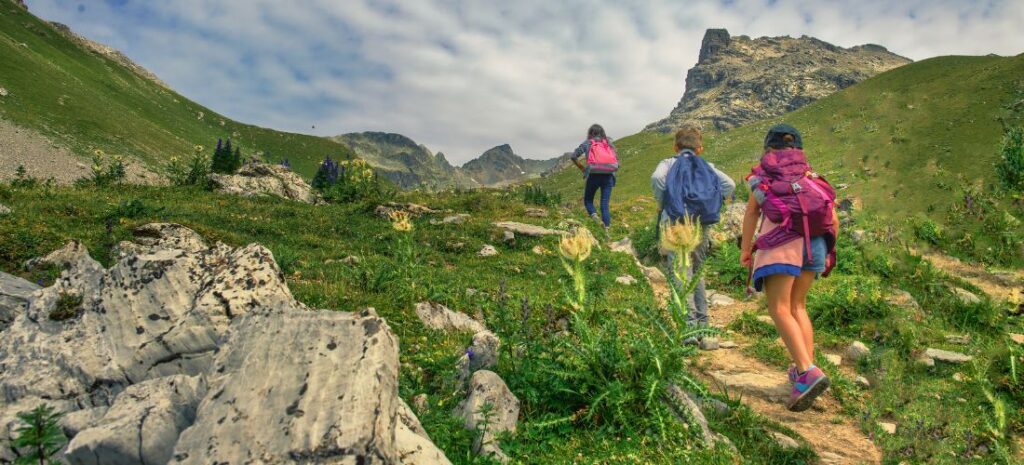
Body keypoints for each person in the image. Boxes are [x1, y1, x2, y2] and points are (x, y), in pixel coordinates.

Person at [740, 124, 839, 412]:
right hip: (816, 243)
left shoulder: (763, 176)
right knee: (798, 306)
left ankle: (808, 372)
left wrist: (747, 249)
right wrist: (829, 252)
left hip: (782, 243)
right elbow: (832, 217)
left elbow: (751, 212)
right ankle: (803, 370)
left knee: (779, 308)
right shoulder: (811, 177)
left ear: (768, 148)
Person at [651, 124, 735, 344]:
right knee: (697, 271)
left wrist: (665, 203)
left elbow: (657, 179)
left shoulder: (669, 163)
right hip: (700, 224)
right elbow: (729, 184)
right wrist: (712, 203)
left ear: (675, 146)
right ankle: (704, 331)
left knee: (680, 271)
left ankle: (687, 329)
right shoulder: (706, 166)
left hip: (676, 224)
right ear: (700, 148)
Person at [571, 124, 619, 230]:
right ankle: (607, 232)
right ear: (602, 133)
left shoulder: (588, 143)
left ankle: (595, 218)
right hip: (608, 176)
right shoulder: (609, 143)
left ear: (591, 133)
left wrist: (582, 168)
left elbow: (573, 156)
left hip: (594, 176)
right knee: (604, 204)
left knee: (588, 200)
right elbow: (617, 161)